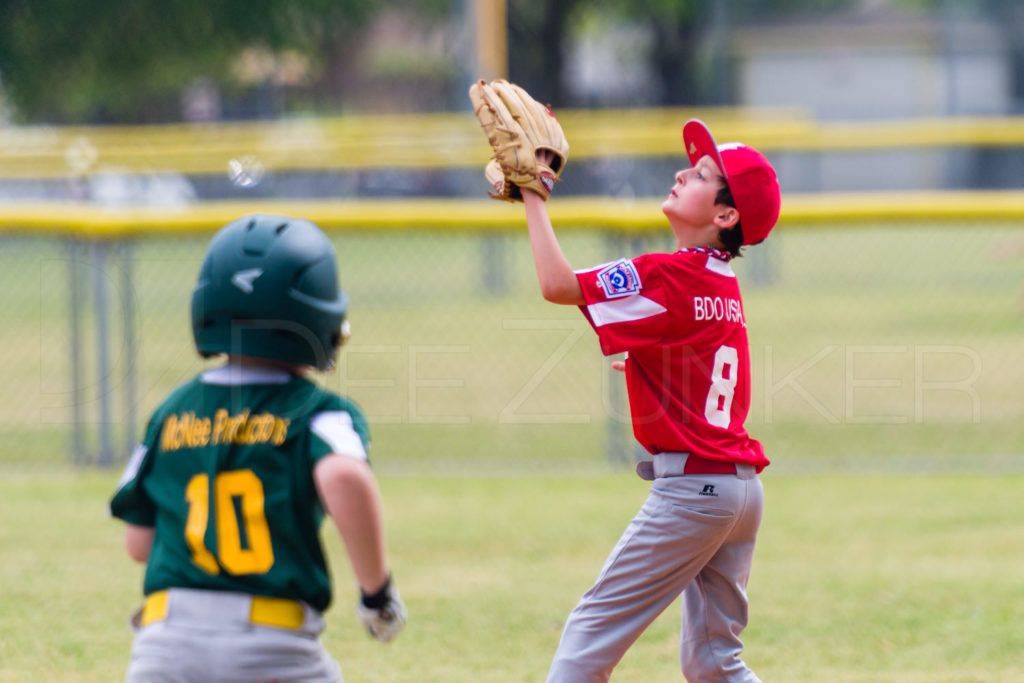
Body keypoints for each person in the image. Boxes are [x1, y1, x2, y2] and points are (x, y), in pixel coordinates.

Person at [516, 120, 780, 682]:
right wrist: (651, 367)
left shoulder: (671, 274)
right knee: (714, 663)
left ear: (726, 216)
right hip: (740, 489)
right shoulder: (721, 284)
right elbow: (696, 352)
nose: (683, 172)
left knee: (584, 644)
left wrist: (533, 196)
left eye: (703, 174)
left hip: (695, 492)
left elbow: (558, 284)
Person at [109, 214, 406, 682]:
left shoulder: (171, 412)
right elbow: (344, 476)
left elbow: (138, 544)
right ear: (319, 317)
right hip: (272, 645)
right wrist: (377, 593)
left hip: (163, 643)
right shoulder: (319, 412)